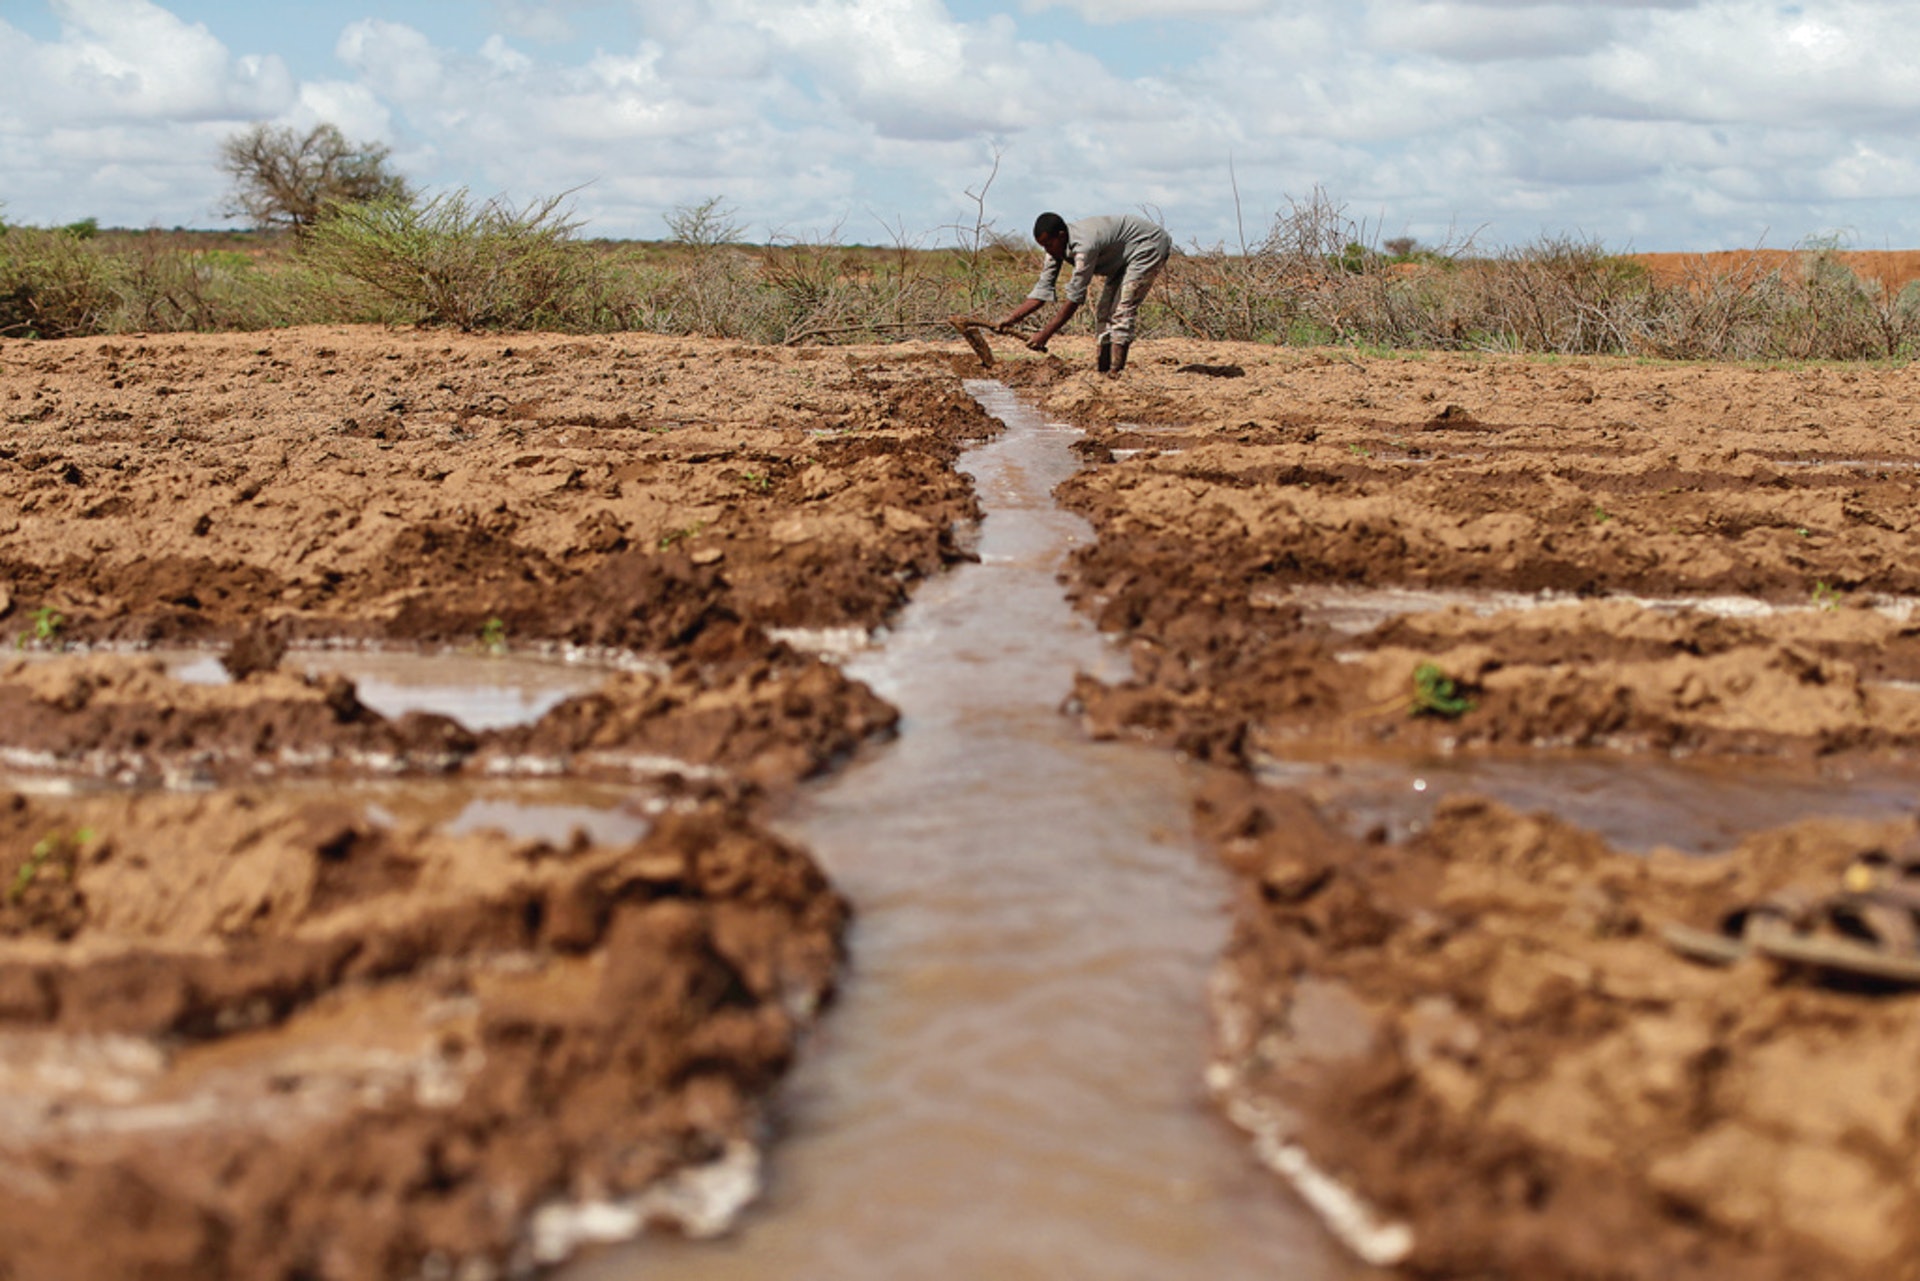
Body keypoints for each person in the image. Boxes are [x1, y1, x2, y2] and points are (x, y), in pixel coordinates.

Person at [996, 211, 1173, 376]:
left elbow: (1075, 297)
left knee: (1122, 309)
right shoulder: (1053, 249)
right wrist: (1010, 320)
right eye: (1043, 246)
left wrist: (1045, 334)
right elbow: (1042, 291)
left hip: (1148, 246)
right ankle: (1103, 371)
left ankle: (1115, 372)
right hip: (1121, 258)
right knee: (1104, 311)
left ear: (1061, 235)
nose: (1047, 250)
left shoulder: (1084, 247)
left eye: (1049, 244)